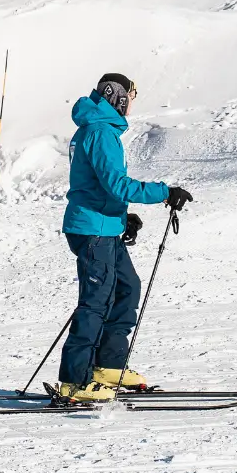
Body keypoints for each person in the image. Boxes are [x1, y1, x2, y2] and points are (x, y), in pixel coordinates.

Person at [56, 72, 194, 403]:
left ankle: (108, 366)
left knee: (127, 287)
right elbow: (116, 183)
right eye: (131, 95)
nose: (132, 102)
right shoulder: (101, 132)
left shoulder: (98, 128)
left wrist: (122, 216)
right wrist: (164, 193)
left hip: (102, 225)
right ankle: (74, 382)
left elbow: (97, 184)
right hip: (92, 231)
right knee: (95, 303)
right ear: (116, 96)